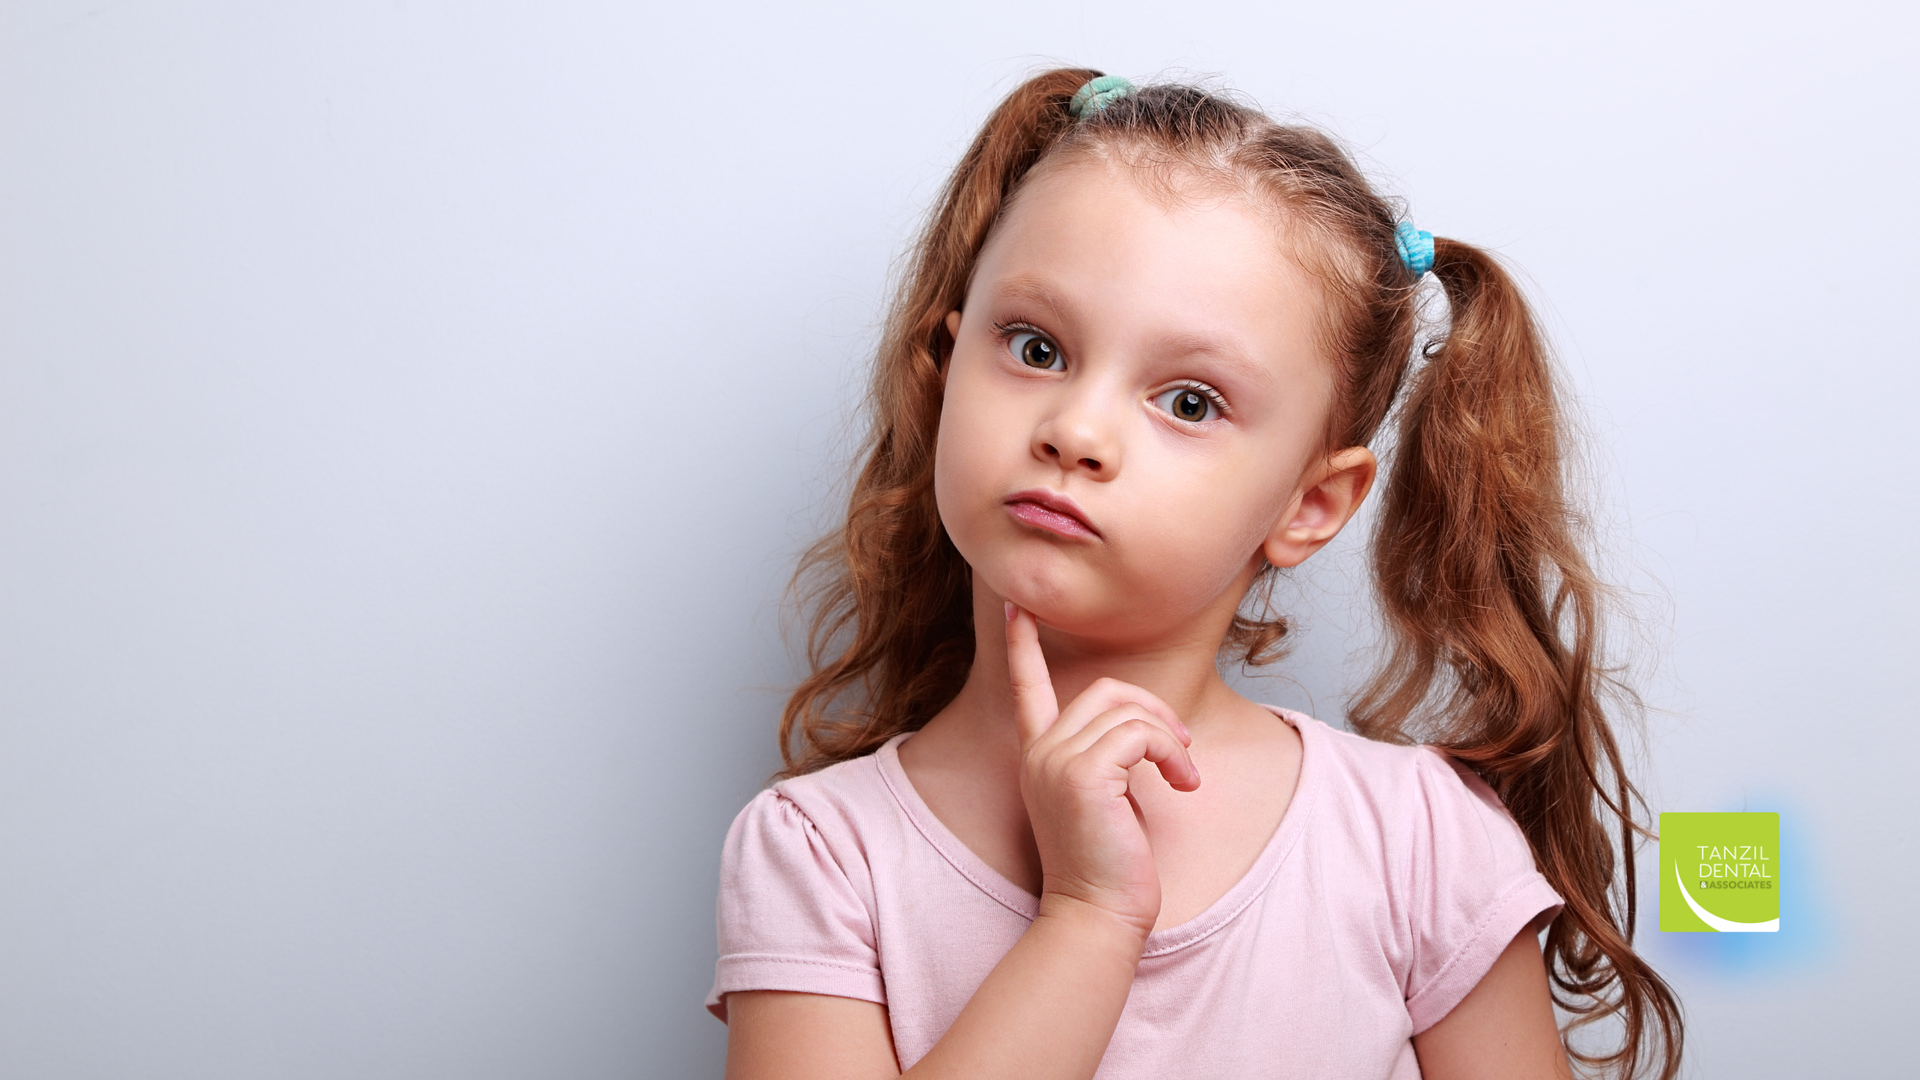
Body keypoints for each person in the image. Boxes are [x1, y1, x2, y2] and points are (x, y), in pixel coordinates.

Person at [706, 68, 1683, 1079]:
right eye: (1037, 348)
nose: (1075, 431)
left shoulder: (1417, 844)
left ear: (1310, 505)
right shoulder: (817, 855)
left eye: (1188, 403)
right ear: (949, 367)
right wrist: (1087, 919)